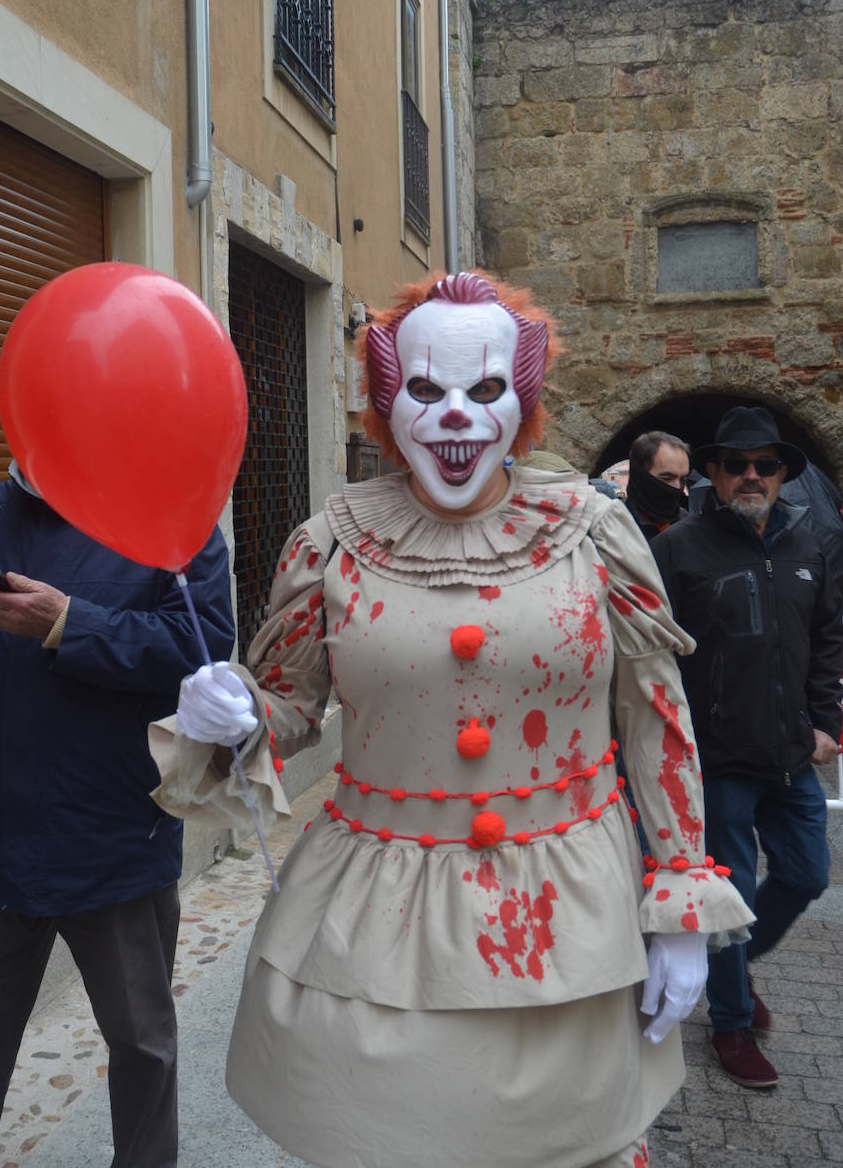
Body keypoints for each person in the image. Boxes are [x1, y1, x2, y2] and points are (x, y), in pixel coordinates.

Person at [152, 271, 752, 1168]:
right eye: (427, 392)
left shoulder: (596, 533)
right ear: (389, 406)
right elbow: (288, 711)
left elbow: (658, 723)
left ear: (524, 400)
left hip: (570, 920)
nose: (458, 417)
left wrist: (679, 904)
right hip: (379, 927)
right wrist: (233, 716)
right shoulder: (330, 543)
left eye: (486, 390)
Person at [0, 461, 235, 1168]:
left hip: (118, 844)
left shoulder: (169, 517)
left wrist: (70, 623)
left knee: (142, 1048)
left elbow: (203, 648)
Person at [650, 406, 843, 1090]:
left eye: (766, 464)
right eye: (737, 465)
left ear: (785, 473)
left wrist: (828, 721)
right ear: (714, 474)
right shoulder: (679, 549)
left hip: (793, 755)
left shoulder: (806, 545)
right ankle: (730, 1022)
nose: (752, 475)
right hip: (716, 760)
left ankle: (730, 966)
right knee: (727, 898)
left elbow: (828, 640)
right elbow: (650, 655)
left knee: (807, 876)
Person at [624, 431, 690, 543]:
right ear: (640, 476)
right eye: (667, 478)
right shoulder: (616, 527)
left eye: (683, 480)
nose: (677, 487)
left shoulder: (686, 523)